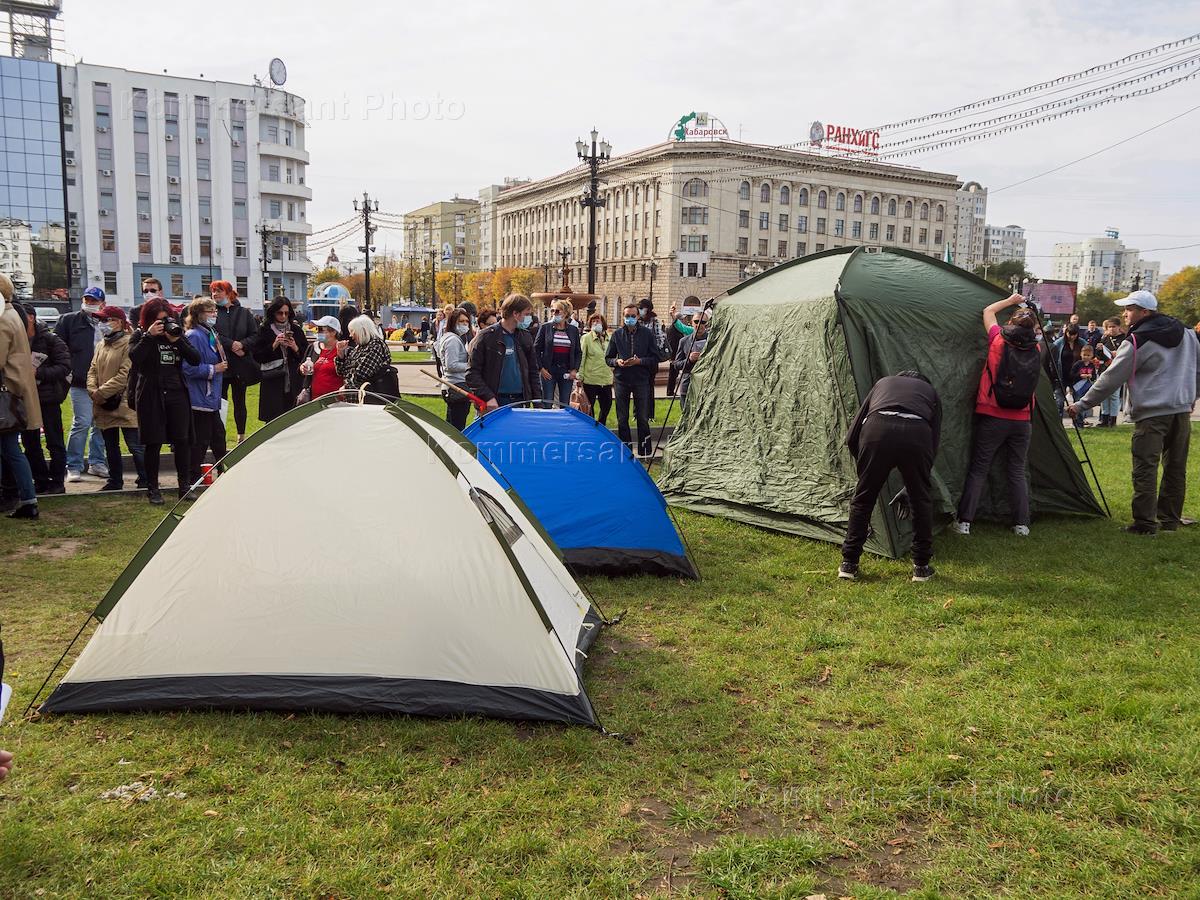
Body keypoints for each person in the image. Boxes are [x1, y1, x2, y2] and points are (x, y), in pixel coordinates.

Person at [1069, 290, 1200, 535]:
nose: (1124, 314)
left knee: (1145, 468)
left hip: (1152, 413)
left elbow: (1111, 378)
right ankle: (1169, 521)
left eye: (1129, 309)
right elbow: (1198, 369)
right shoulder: (1188, 333)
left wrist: (1081, 404)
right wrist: (1192, 396)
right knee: (1176, 468)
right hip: (1181, 410)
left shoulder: (1137, 340)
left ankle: (1145, 524)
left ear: (1145, 312)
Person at [839, 371, 942, 582]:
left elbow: (851, 436)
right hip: (917, 433)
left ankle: (849, 564)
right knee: (920, 502)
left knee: (863, 499)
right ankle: (921, 568)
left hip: (877, 430)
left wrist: (866, 471)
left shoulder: (882, 383)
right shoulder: (931, 392)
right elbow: (933, 445)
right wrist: (912, 486)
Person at [954, 295, 1040, 538]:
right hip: (1022, 419)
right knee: (1016, 470)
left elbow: (988, 311)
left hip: (993, 415)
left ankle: (964, 522)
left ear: (1010, 322)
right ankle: (1021, 524)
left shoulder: (998, 339)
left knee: (979, 468)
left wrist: (1011, 300)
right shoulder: (1036, 348)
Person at [130, 298, 200, 504]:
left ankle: (184, 486)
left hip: (177, 391)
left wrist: (177, 340)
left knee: (182, 440)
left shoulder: (176, 334)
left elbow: (195, 359)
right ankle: (153, 489)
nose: (163, 325)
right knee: (153, 442)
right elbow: (134, 358)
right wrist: (149, 336)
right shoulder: (140, 335)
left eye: (166, 319)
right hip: (151, 392)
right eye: (159, 321)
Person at [87, 306, 145, 491]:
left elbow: (125, 374)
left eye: (106, 320)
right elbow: (92, 370)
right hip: (103, 403)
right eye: (100, 320)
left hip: (124, 402)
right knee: (110, 445)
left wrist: (101, 393)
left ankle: (146, 479)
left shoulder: (129, 343)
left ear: (119, 322)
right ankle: (115, 480)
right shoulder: (101, 344)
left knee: (135, 445)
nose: (102, 324)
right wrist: (93, 390)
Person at [55, 285, 108, 482]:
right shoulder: (69, 320)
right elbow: (58, 347)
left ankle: (97, 462)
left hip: (104, 383)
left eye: (94, 300)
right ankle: (74, 465)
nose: (89, 303)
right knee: (82, 422)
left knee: (100, 424)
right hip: (80, 381)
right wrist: (68, 370)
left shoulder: (106, 322)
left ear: (102, 303)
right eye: (87, 300)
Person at [17, 301, 70, 494]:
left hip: (48, 399)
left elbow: (65, 367)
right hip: (25, 399)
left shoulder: (50, 340)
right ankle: (40, 480)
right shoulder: (17, 340)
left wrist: (38, 373)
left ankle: (57, 482)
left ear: (31, 318)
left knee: (54, 441)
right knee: (30, 442)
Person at [0, 277, 41, 518]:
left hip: (6, 390)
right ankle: (28, 499)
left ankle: (28, 499)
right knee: (11, 448)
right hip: (13, 390)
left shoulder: (2, 318)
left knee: (10, 449)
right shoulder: (12, 314)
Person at [465, 293, 541, 410]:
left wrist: (538, 402)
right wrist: (488, 397)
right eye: (526, 314)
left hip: (520, 400)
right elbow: (472, 373)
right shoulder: (486, 337)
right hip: (495, 401)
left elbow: (533, 371)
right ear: (515, 314)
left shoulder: (525, 337)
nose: (529, 319)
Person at [182, 298, 227, 488]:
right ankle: (192, 479)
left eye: (215, 310)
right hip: (199, 398)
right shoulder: (194, 336)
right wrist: (213, 369)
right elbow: (187, 368)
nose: (214, 314)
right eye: (210, 311)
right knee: (201, 440)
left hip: (211, 398)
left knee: (218, 437)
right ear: (198, 314)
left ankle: (224, 473)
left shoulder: (210, 333)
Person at [606, 301, 659, 457]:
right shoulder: (617, 334)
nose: (630, 318)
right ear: (623, 317)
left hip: (641, 379)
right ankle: (626, 450)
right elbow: (608, 358)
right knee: (622, 418)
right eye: (627, 316)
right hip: (621, 380)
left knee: (642, 417)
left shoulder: (647, 334)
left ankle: (645, 450)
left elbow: (655, 357)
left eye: (633, 316)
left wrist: (639, 361)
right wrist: (617, 362)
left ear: (638, 317)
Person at [211, 280, 258, 445]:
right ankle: (219, 436)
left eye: (219, 291)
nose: (215, 294)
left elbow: (255, 335)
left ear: (228, 293)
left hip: (240, 365)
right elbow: (212, 334)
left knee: (240, 401)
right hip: (221, 365)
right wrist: (232, 344)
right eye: (213, 291)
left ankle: (241, 436)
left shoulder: (244, 313)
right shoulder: (212, 312)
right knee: (220, 402)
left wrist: (243, 344)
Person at [253, 296, 308, 424]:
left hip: (293, 380)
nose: (283, 316)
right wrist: (274, 344)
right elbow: (257, 356)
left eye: (286, 313)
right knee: (273, 420)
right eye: (280, 313)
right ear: (273, 312)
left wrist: (295, 347)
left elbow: (306, 355)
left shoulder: (296, 330)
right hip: (273, 380)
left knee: (294, 419)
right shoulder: (264, 330)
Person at [534, 299, 581, 407]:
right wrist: (541, 368)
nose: (554, 313)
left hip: (566, 371)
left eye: (557, 311)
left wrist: (574, 369)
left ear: (565, 313)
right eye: (552, 311)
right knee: (547, 402)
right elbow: (536, 349)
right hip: (548, 371)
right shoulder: (545, 328)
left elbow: (578, 352)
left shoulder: (573, 330)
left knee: (564, 403)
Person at [335, 314, 394, 396]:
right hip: (356, 397)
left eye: (352, 331)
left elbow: (363, 374)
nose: (350, 335)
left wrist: (346, 387)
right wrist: (340, 355)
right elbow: (341, 372)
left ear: (361, 331)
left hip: (370, 398)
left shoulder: (376, 345)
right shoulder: (359, 347)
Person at [435, 307, 473, 429]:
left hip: (454, 386)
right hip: (456, 386)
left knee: (452, 425)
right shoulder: (453, 340)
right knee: (457, 426)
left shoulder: (453, 338)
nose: (465, 324)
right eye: (461, 321)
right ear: (453, 322)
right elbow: (451, 365)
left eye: (467, 321)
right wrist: (471, 366)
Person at [578, 312, 613, 424]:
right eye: (593, 321)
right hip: (591, 379)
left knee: (607, 405)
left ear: (603, 323)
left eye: (597, 321)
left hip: (606, 378)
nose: (595, 323)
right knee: (589, 407)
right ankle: (591, 427)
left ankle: (601, 424)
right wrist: (580, 375)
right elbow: (582, 357)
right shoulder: (586, 338)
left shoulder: (610, 338)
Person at [672, 309, 710, 412]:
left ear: (707, 324)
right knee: (686, 415)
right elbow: (677, 364)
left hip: (706, 386)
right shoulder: (684, 341)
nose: (699, 325)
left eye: (703, 322)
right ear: (692, 323)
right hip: (687, 385)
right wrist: (689, 360)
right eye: (696, 321)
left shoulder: (712, 341)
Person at [301, 315, 345, 400]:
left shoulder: (344, 349)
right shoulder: (313, 347)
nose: (318, 333)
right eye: (317, 329)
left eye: (321, 330)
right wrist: (302, 368)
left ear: (333, 332)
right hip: (314, 400)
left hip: (336, 400)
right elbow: (301, 368)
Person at [1051, 323, 1085, 419]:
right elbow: (1053, 358)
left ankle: (1079, 422)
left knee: (1078, 401)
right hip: (1062, 376)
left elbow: (1089, 353)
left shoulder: (1082, 343)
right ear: (1066, 332)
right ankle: (1058, 422)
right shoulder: (1058, 343)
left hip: (1076, 376)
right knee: (1059, 401)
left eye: (1075, 334)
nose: (1072, 337)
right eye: (1070, 334)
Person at [1096, 317, 1126, 427]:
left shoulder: (1124, 339)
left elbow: (1128, 354)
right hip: (1105, 369)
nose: (1111, 329)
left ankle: (1113, 420)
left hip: (1117, 370)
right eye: (1109, 327)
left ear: (1119, 327)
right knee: (1103, 394)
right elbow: (1099, 356)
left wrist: (1117, 353)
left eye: (1114, 327)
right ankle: (1104, 419)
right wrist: (1099, 349)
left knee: (1114, 395)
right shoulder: (1105, 338)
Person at [665, 303, 692, 396]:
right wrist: (672, 356)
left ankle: (670, 391)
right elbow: (672, 343)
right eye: (682, 319)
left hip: (676, 354)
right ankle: (670, 391)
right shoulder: (674, 329)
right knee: (673, 374)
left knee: (674, 373)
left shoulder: (676, 329)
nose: (684, 320)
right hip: (675, 355)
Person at [1069, 345, 1100, 427]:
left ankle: (1082, 420)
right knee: (1077, 403)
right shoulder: (1077, 364)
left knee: (1084, 404)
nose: (1086, 357)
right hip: (1077, 387)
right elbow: (1071, 375)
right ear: (1081, 354)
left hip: (1086, 387)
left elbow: (1094, 376)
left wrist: (1091, 376)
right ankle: (1077, 422)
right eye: (1084, 355)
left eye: (1088, 355)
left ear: (1092, 355)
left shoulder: (1091, 365)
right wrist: (1080, 376)